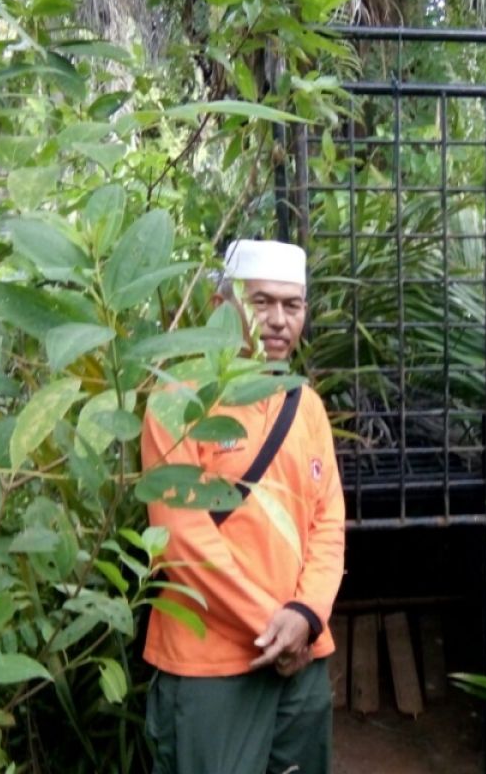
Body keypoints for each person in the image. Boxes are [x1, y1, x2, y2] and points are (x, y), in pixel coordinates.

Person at [141, 240, 345, 774]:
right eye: (261, 302)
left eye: (292, 305)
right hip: (212, 662)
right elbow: (181, 536)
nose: (278, 321)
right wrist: (273, 628)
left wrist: (305, 616)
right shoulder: (179, 401)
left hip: (302, 660)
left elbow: (328, 524)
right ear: (222, 305)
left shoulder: (308, 406)